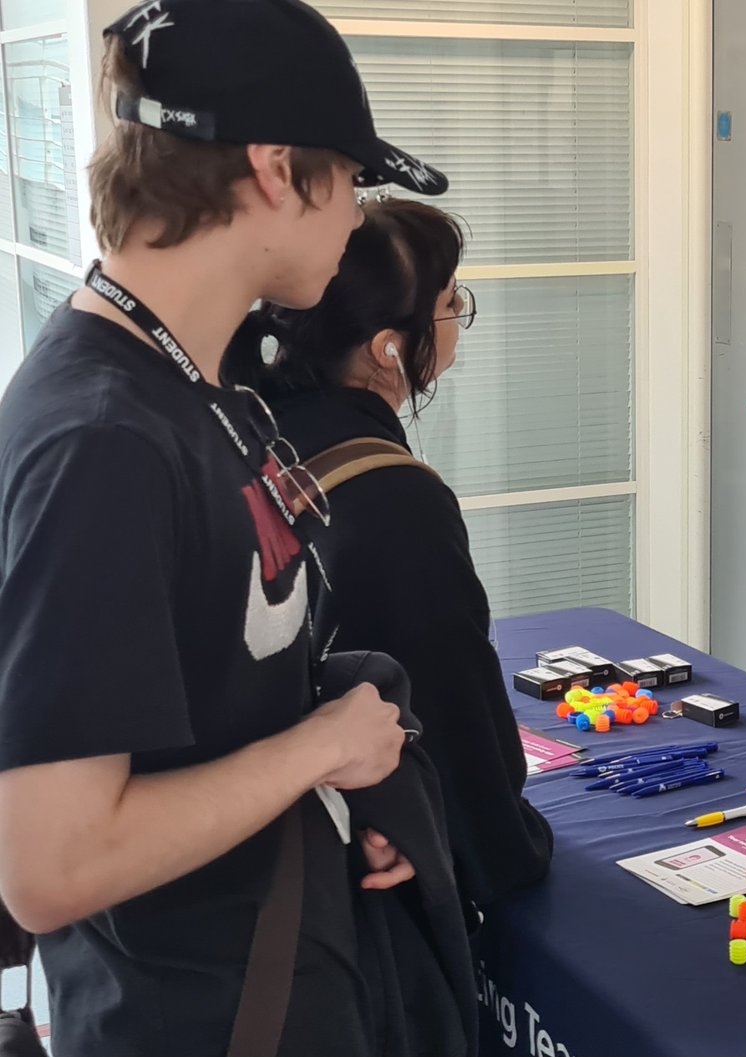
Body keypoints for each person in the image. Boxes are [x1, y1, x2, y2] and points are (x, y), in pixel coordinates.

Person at [0, 2, 460, 1054]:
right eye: (351, 183)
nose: (356, 221)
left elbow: (211, 695)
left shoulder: (192, 385)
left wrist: (342, 784)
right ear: (276, 171)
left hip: (284, 960)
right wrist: (316, 749)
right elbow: (51, 866)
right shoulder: (101, 440)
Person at [222, 197, 554, 911]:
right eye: (449, 302)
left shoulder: (251, 428)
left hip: (254, 834)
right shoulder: (394, 497)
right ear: (388, 348)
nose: (456, 316)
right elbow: (454, 708)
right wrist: (501, 847)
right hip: (352, 871)